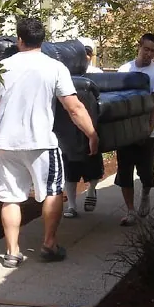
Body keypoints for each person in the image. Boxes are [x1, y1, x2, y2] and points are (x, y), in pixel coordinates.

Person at [0, 18, 99, 268]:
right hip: (42, 144)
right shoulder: (54, 67)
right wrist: (91, 134)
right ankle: (48, 245)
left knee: (10, 198)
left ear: (19, 39)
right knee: (53, 193)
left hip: (8, 144)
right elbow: (74, 107)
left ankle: (12, 252)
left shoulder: (2, 68)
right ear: (42, 41)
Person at [115, 33, 154, 226]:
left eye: (153, 51)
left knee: (146, 172)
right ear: (139, 46)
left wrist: (147, 131)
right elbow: (117, 101)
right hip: (125, 133)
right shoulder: (124, 69)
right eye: (146, 49)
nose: (149, 54)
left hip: (148, 132)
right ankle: (130, 211)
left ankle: (145, 194)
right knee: (125, 171)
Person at [62, 43, 104, 218]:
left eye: (88, 54)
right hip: (69, 132)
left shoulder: (97, 75)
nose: (85, 58)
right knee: (70, 172)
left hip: (90, 128)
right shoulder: (64, 75)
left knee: (93, 167)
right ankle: (71, 206)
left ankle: (91, 191)